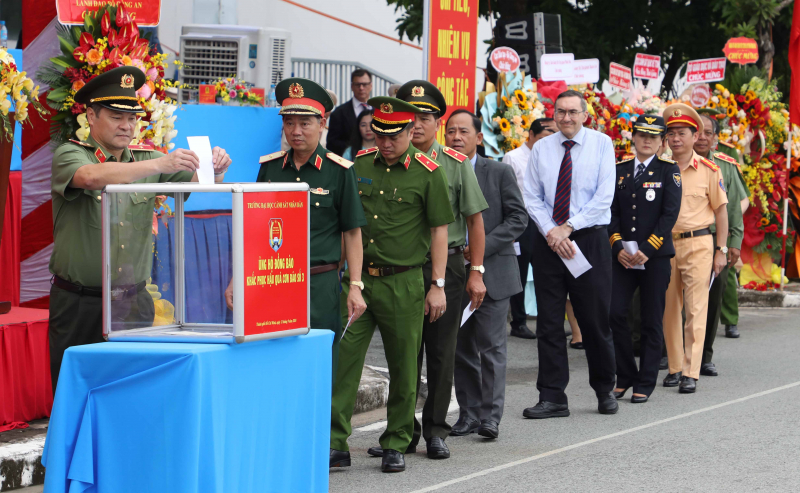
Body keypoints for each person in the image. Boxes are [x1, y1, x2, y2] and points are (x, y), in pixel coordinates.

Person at [49, 67, 232, 391]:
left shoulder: (147, 159)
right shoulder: (71, 153)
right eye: (117, 116)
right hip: (81, 304)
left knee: (130, 394)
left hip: (132, 303)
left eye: (133, 117)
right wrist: (159, 165)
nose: (127, 125)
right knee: (73, 395)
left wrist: (216, 167)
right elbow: (91, 177)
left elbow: (202, 183)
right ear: (91, 115)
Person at [329, 97, 454, 473]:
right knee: (343, 363)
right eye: (380, 135)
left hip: (404, 282)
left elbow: (439, 231)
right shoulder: (359, 166)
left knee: (403, 366)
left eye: (394, 136)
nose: (385, 143)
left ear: (410, 131)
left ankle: (397, 441)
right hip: (360, 281)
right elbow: (347, 225)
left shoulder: (428, 172)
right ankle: (336, 442)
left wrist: (438, 284)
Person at [369, 80, 489, 461]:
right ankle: (401, 433)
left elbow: (474, 222)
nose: (417, 124)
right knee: (403, 355)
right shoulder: (379, 162)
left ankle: (437, 429)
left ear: (437, 121)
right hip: (399, 268)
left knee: (440, 351)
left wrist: (476, 271)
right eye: (411, 117)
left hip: (447, 268)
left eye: (425, 117)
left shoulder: (453, 164)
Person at [228, 78, 367, 381]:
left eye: (305, 123)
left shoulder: (339, 171)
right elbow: (254, 229)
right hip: (273, 281)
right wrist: (237, 277)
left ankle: (317, 429)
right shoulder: (270, 168)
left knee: (317, 364)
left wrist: (355, 285)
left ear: (323, 123)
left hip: (319, 284)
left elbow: (352, 232)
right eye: (289, 123)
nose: (296, 131)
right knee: (272, 361)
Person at [522, 89, 619, 418]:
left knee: (594, 320)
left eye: (572, 112)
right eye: (560, 112)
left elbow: (604, 198)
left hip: (588, 241)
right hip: (549, 243)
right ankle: (552, 396)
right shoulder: (542, 148)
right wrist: (552, 230)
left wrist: (569, 227)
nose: (565, 118)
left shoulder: (602, 144)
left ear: (585, 115)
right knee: (549, 323)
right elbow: (531, 196)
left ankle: (605, 389)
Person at [446, 109, 528, 439]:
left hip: (493, 272)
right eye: (450, 131)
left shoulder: (498, 172)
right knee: (460, 348)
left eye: (463, 131)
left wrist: (481, 248)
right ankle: (467, 413)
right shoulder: (440, 170)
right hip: (453, 273)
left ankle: (490, 417)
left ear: (478, 138)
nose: (456, 137)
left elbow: (518, 219)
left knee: (491, 348)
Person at [608, 115, 681, 404]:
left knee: (651, 319)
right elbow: (610, 213)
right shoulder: (620, 171)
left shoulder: (669, 171)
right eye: (642, 135)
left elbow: (669, 215)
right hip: (623, 257)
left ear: (662, 142)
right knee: (615, 314)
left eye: (654, 136)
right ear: (633, 138)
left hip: (655, 257)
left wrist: (647, 249)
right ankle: (625, 374)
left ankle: (646, 380)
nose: (647, 140)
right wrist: (617, 247)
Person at [661, 103, 729, 394]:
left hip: (699, 243)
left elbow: (722, 212)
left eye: (682, 133)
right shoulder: (660, 169)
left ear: (695, 135)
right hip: (664, 245)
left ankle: (691, 370)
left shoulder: (709, 171)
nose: (676, 139)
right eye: (671, 133)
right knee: (669, 309)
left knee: (696, 308)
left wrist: (721, 250)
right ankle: (675, 367)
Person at [694, 112, 747, 377]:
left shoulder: (725, 166)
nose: (702, 137)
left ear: (715, 139)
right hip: (683, 240)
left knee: (713, 299)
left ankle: (704, 356)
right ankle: (675, 355)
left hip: (718, 240)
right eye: (698, 131)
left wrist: (731, 244)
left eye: (708, 133)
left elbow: (734, 208)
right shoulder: (671, 162)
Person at [503, 117, 556, 339]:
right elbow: (504, 193)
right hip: (522, 222)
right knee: (520, 274)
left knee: (548, 273)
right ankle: (519, 322)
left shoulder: (552, 157)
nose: (547, 142)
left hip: (547, 223)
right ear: (531, 136)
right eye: (544, 138)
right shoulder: (512, 157)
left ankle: (548, 322)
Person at [327, 69, 373, 156]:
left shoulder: (379, 111)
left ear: (371, 85)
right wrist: (356, 149)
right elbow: (332, 144)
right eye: (358, 84)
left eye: (364, 84)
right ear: (352, 86)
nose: (361, 88)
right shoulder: (339, 113)